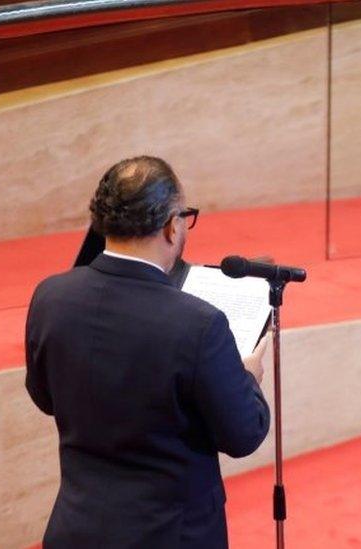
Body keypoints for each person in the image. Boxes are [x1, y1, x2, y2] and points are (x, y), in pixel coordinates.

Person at [25, 156, 270, 548]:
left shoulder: (50, 296)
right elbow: (243, 435)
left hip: (75, 529)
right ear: (172, 227)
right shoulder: (199, 324)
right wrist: (248, 378)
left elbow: (44, 397)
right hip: (171, 536)